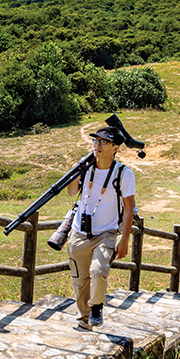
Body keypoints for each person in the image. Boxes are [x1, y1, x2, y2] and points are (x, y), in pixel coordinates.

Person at [65, 125, 136, 329]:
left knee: (98, 270)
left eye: (104, 141)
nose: (98, 145)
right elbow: (71, 192)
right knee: (80, 279)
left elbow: (129, 208)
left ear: (115, 147)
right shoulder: (85, 168)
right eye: (96, 141)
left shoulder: (124, 174)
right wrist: (75, 172)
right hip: (79, 231)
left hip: (105, 232)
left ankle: (96, 307)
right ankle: (85, 317)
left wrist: (124, 240)